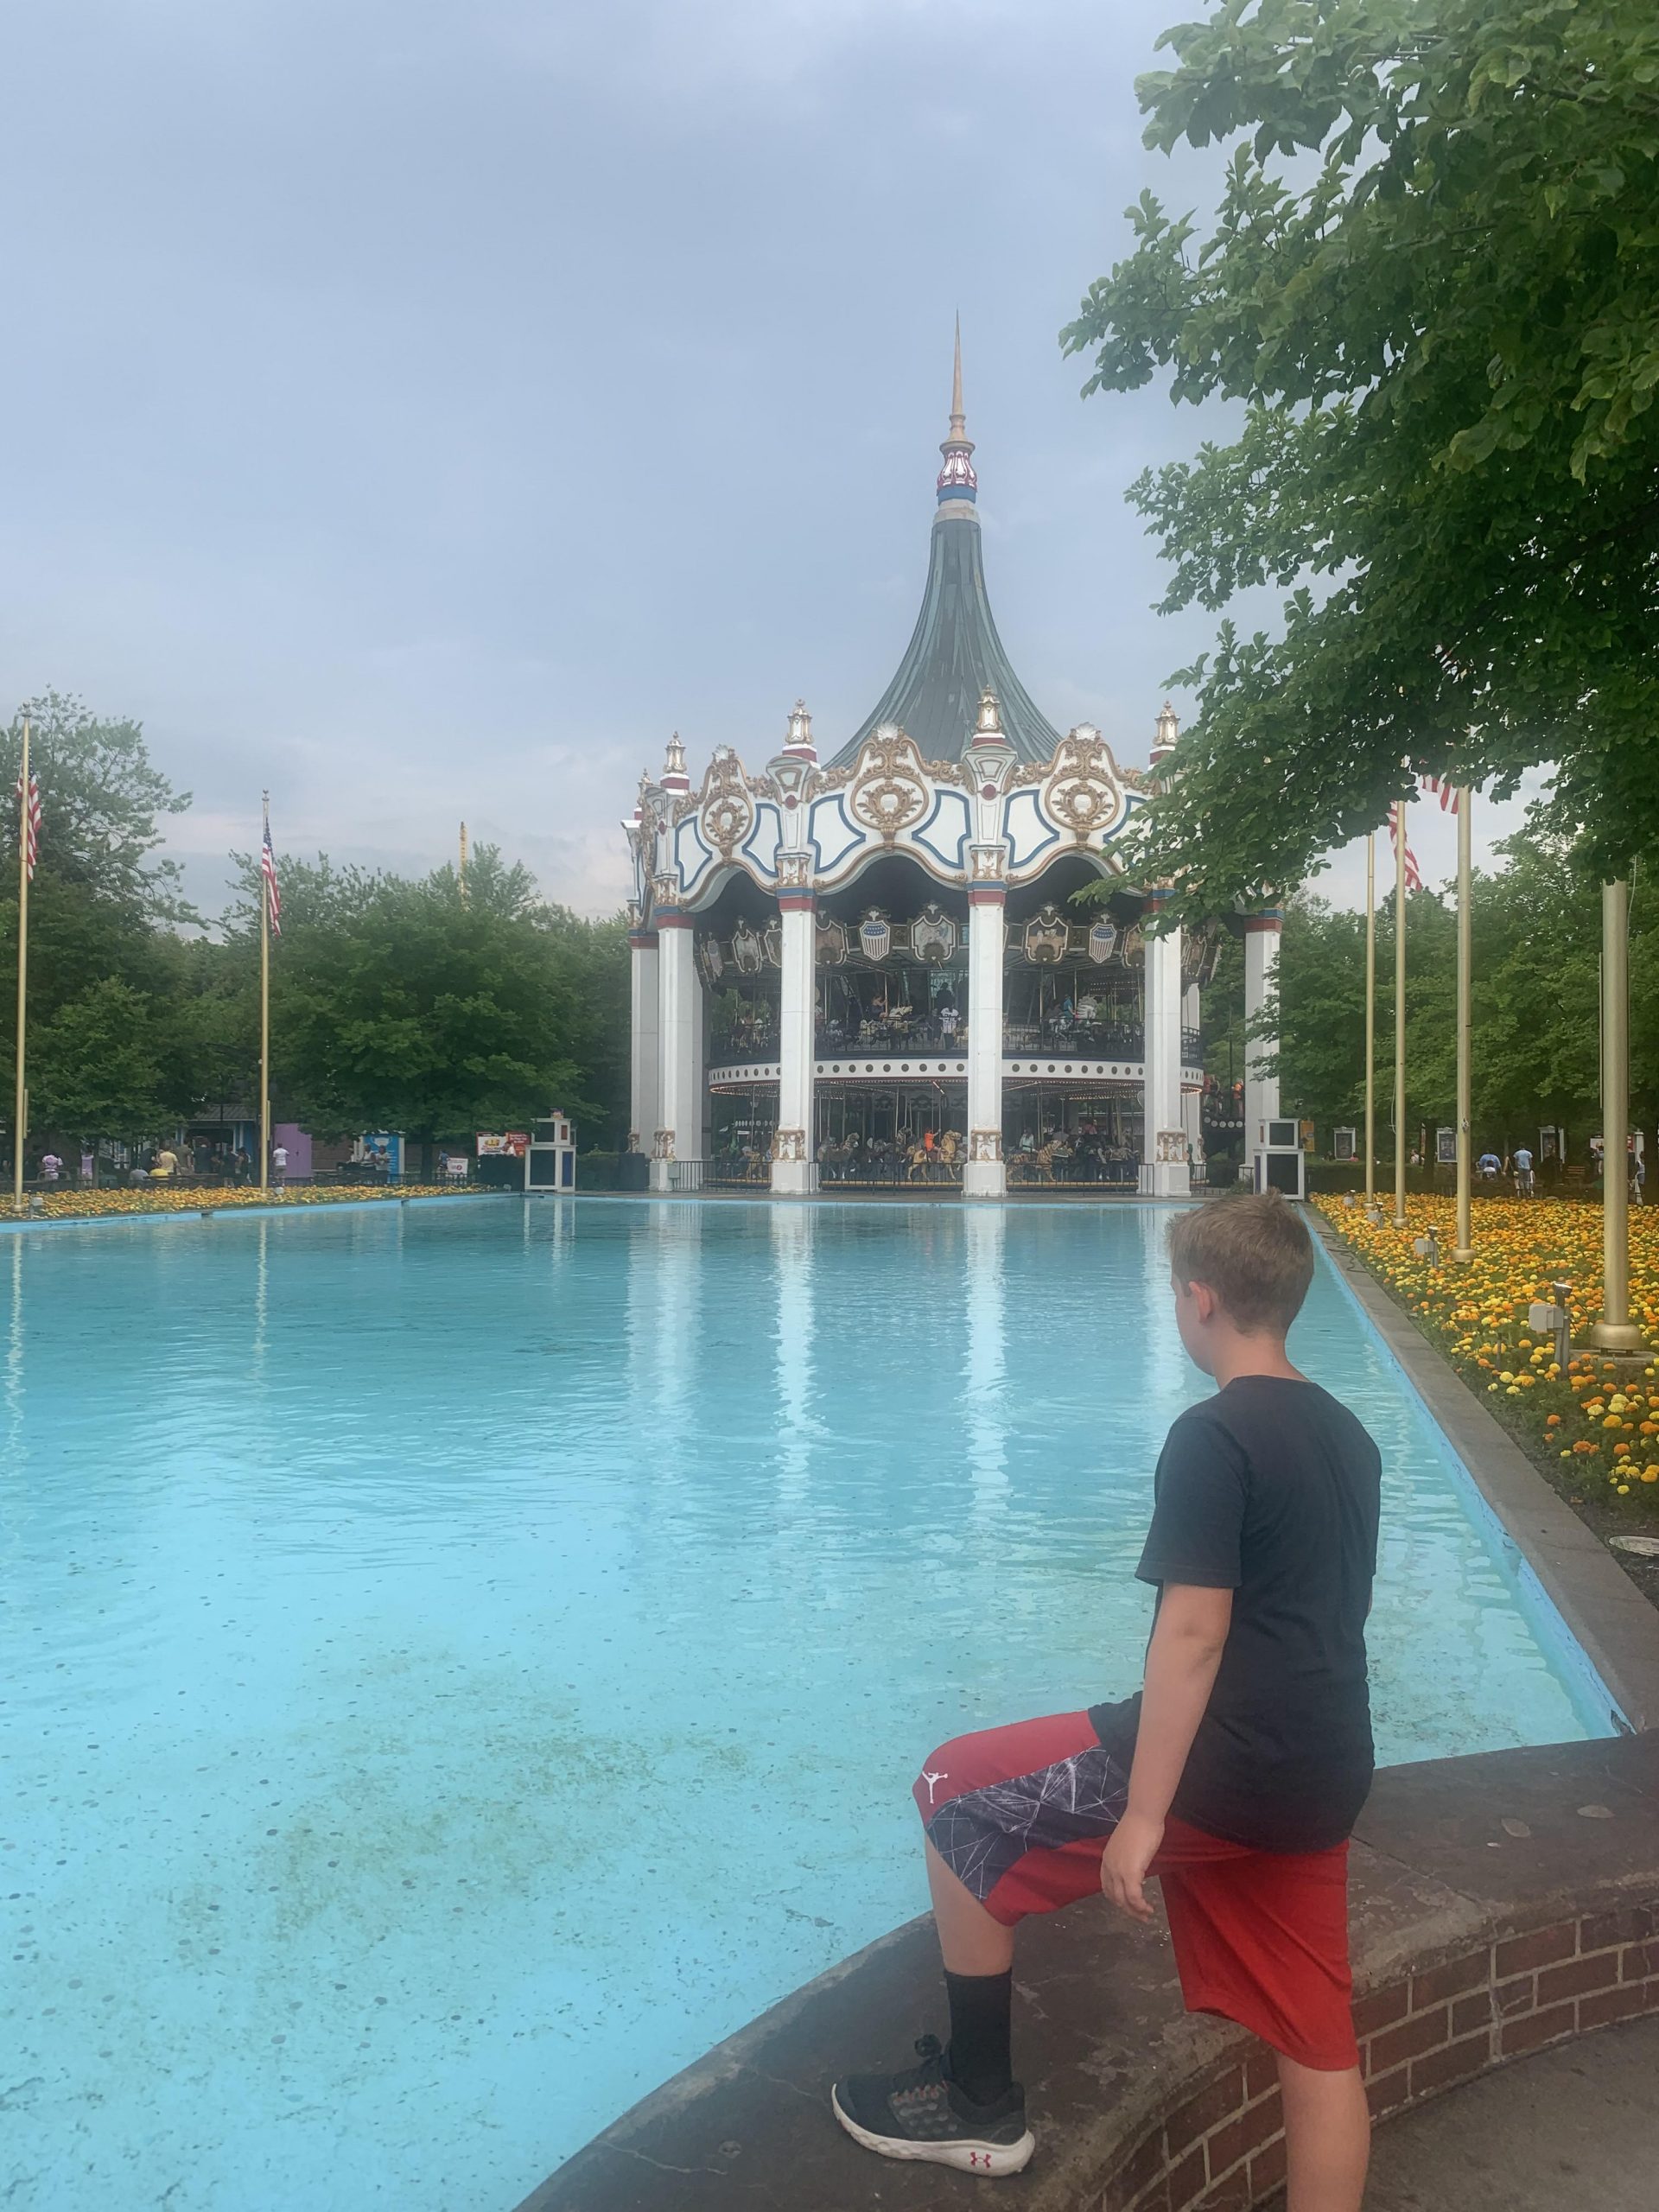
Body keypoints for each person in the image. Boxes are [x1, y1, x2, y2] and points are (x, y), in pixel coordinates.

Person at [832, 1192, 1381, 2210]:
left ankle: (977, 2100)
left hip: (1223, 1764)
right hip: (1326, 1769)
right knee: (1319, 2033)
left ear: (1200, 1299)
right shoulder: (1348, 1433)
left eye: (1177, 1295)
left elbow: (1195, 1631)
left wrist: (1143, 1814)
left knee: (950, 1788)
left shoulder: (1216, 1435)